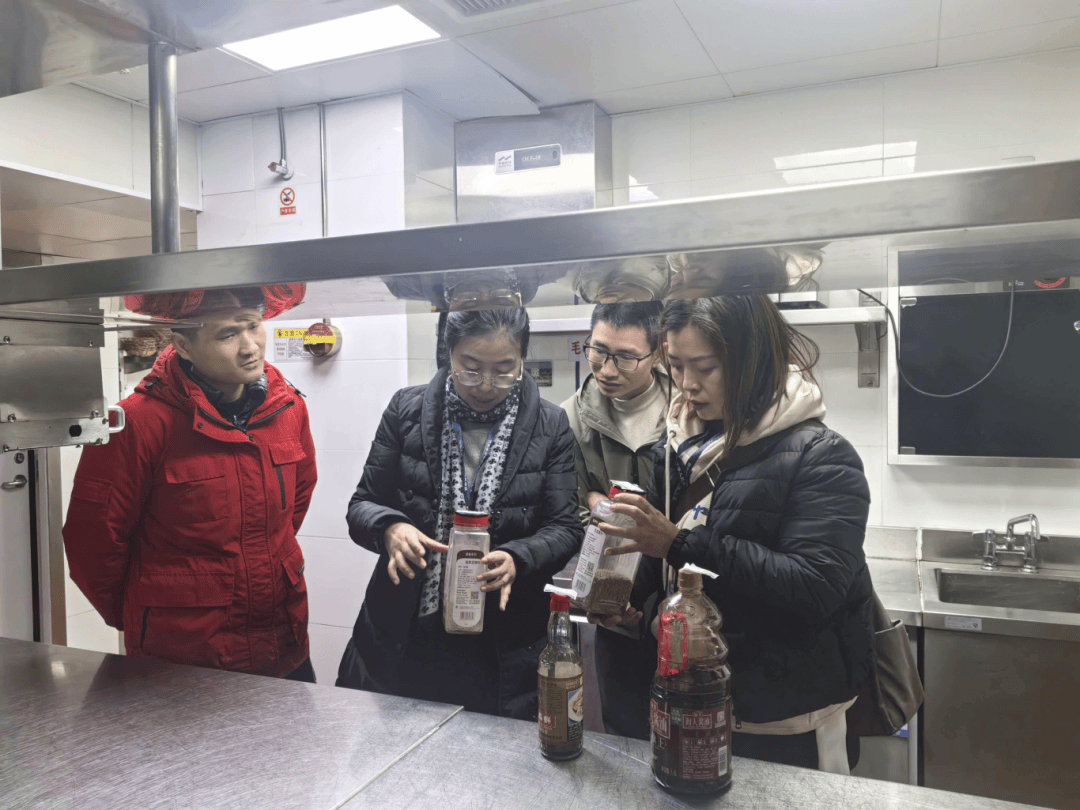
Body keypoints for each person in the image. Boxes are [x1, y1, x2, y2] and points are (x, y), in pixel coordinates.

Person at [599, 295, 874, 774]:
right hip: (690, 704)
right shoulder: (679, 446)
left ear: (754, 360)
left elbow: (817, 587)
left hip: (787, 725)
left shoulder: (821, 456)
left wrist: (679, 544)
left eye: (705, 367)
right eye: (676, 365)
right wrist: (628, 599)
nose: (687, 384)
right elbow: (661, 556)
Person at [63, 285, 318, 682]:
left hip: (282, 645)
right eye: (228, 334)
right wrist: (143, 614)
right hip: (183, 656)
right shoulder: (138, 423)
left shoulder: (289, 408)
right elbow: (93, 542)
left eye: (253, 326)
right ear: (183, 345)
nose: (250, 347)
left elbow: (292, 512)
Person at [337, 308, 583, 718]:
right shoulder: (406, 409)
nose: (485, 385)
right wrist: (390, 528)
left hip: (504, 642)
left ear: (522, 360)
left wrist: (518, 557)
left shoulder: (550, 423)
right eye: (470, 368)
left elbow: (565, 528)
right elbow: (361, 505)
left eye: (504, 370)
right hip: (407, 632)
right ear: (447, 354)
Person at [560, 302, 669, 739]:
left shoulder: (686, 409)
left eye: (625, 357)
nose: (606, 369)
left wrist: (601, 505)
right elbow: (565, 509)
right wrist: (598, 510)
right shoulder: (570, 419)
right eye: (598, 351)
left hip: (681, 598)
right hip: (614, 603)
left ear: (657, 354)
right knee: (627, 733)